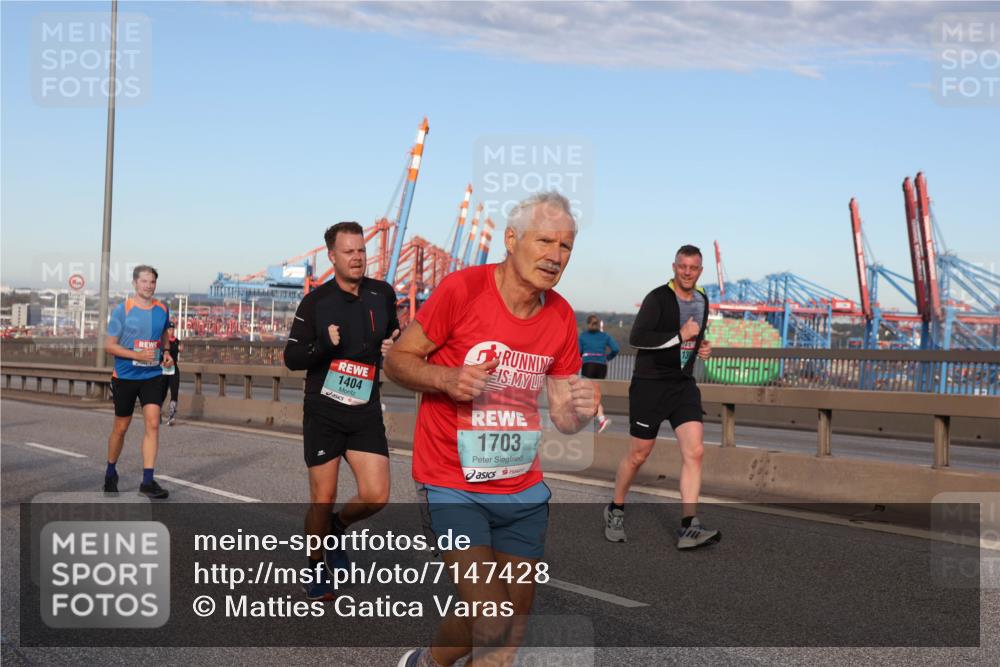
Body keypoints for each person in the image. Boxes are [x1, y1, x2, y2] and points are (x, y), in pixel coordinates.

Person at [386, 191, 599, 667]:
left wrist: (580, 408)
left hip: (522, 489)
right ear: (511, 239)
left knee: (507, 636)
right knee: (491, 615)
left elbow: (564, 417)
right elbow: (397, 362)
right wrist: (446, 377)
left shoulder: (561, 316)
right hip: (451, 483)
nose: (555, 256)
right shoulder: (462, 291)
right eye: (545, 241)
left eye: (565, 247)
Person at [283, 221, 400, 601]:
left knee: (377, 495)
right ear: (331, 257)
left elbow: (395, 333)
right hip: (324, 412)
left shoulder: (382, 294)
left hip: (364, 409)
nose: (357, 258)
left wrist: (393, 346)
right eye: (349, 252)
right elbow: (292, 358)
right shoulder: (316, 302)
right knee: (323, 496)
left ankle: (336, 528)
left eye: (362, 251)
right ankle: (316, 566)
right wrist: (323, 345)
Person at [604, 245, 719, 549]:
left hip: (682, 386)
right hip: (650, 385)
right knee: (639, 454)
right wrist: (681, 336)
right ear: (674, 266)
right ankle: (615, 508)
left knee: (695, 452)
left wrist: (701, 347)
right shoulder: (657, 298)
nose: (687, 272)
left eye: (693, 268)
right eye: (682, 266)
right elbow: (638, 338)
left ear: (700, 271)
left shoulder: (703, 299)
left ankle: (689, 527)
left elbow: (694, 336)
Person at [103, 265, 173, 499]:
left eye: (152, 282)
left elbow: (164, 334)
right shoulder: (122, 311)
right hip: (125, 377)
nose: (149, 286)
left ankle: (147, 481)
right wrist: (136, 355)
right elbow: (109, 345)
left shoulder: (162, 309)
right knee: (121, 427)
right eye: (144, 281)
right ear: (135, 283)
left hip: (152, 375)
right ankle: (111, 472)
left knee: (153, 423)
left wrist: (166, 350)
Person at [579, 314, 620, 433]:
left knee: (588, 393)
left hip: (588, 365)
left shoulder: (583, 336)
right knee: (595, 393)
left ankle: (601, 418)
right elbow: (616, 349)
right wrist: (607, 358)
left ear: (587, 324)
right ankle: (596, 417)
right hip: (601, 366)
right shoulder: (605, 336)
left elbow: (578, 352)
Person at [160, 321, 181, 426]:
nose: (171, 331)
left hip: (174, 371)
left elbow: (180, 350)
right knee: (162, 393)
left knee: (174, 393)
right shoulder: (162, 342)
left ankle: (171, 416)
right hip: (163, 370)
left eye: (173, 329)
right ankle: (157, 413)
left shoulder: (177, 341)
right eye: (169, 329)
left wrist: (180, 349)